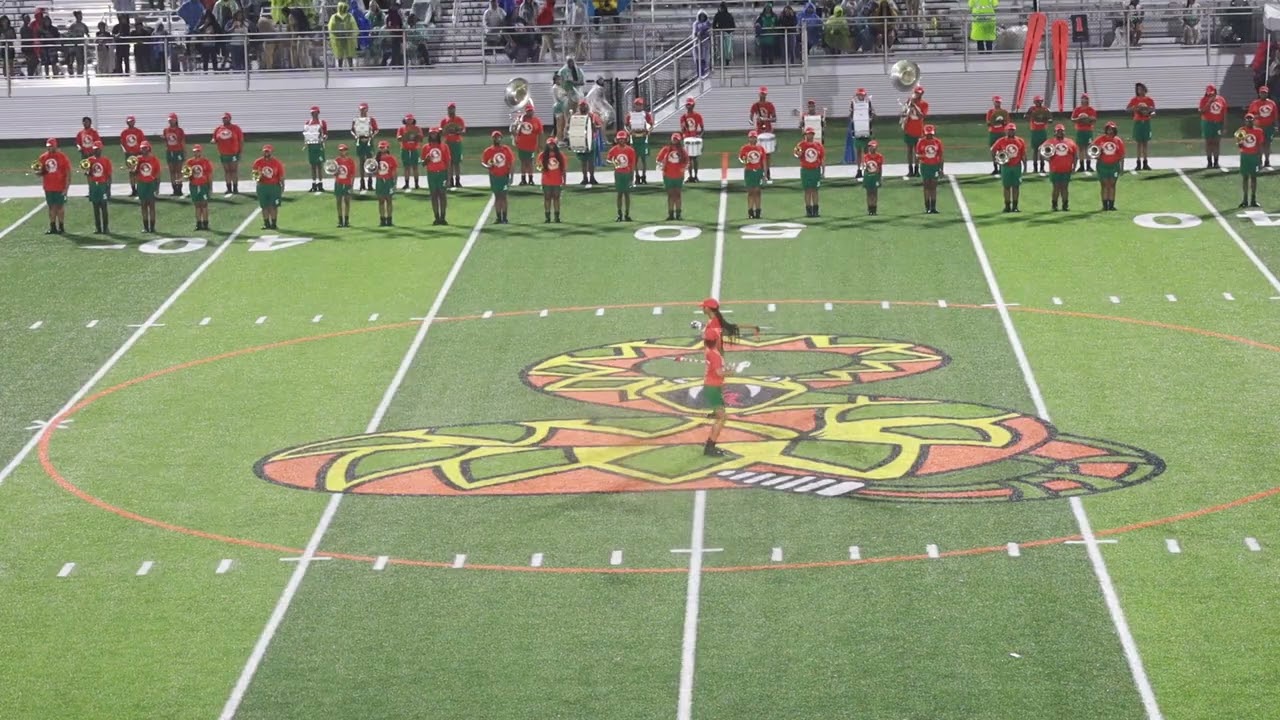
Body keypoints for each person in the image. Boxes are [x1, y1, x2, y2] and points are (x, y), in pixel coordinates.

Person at [36, 138, 71, 235]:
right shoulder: (43, 157)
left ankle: (61, 227)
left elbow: (68, 173)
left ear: (55, 146)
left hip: (60, 186)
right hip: (48, 187)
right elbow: (39, 173)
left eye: (51, 146)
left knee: (60, 207)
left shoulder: (62, 157)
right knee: (51, 207)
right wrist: (39, 171)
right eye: (48, 146)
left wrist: (66, 187)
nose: (49, 148)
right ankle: (52, 227)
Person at [482, 130, 517, 224]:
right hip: (494, 177)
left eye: (498, 137)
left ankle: (505, 217)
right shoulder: (488, 151)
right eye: (495, 137)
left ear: (501, 138)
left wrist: (511, 176)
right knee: (497, 196)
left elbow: (512, 163)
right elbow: (484, 162)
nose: (497, 139)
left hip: (504, 176)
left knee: (504, 197)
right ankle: (498, 217)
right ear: (492, 138)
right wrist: (488, 166)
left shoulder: (506, 149)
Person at [991, 123, 1026, 213]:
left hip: (1016, 166)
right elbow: (993, 149)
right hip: (1006, 166)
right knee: (1006, 187)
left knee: (1016, 187)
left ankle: (1015, 206)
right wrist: (997, 160)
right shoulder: (1001, 140)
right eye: (1010, 130)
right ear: (1006, 131)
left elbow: (1023, 154)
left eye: (1013, 130)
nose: (1011, 131)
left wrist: (1025, 166)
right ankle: (1007, 206)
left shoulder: (1020, 141)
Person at [1092, 122, 1125, 211]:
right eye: (1109, 129)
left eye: (1112, 129)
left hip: (1114, 166)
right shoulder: (1100, 139)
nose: (1110, 131)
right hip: (1102, 165)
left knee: (1112, 185)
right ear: (1106, 130)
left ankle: (1111, 205)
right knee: (1104, 185)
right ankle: (1104, 205)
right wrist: (1099, 153)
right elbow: (1093, 151)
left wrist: (1122, 168)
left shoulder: (1118, 140)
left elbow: (1122, 155)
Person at [421, 129, 452, 225]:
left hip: (442, 173)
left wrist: (448, 176)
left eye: (435, 133)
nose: (433, 135)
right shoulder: (426, 147)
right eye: (432, 134)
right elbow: (423, 163)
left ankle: (443, 217)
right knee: (434, 195)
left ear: (438, 135)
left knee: (442, 195)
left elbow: (448, 162)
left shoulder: (444, 146)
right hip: (431, 173)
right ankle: (436, 217)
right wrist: (426, 160)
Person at [1045, 124, 1078, 211]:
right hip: (1055, 169)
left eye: (1061, 131)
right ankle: (1054, 205)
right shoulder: (1050, 142)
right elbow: (1042, 151)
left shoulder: (1070, 142)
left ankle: (1065, 205)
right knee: (1056, 187)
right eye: (1058, 131)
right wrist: (1047, 159)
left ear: (1064, 132)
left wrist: (1074, 166)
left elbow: (1075, 155)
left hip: (1066, 169)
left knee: (1064, 187)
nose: (1060, 133)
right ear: (1055, 133)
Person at [251, 145, 285, 230]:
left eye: (268, 151)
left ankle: (274, 223)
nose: (266, 153)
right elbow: (255, 177)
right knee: (264, 206)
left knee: (273, 206)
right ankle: (266, 223)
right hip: (262, 186)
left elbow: (281, 176)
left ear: (271, 152)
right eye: (265, 151)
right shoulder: (257, 162)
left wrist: (282, 187)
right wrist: (259, 176)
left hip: (274, 186)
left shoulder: (277, 163)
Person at [606, 130, 636, 221]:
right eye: (620, 139)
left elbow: (632, 164)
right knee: (619, 194)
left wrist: (632, 175)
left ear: (626, 139)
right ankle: (619, 214)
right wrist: (613, 162)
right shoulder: (614, 149)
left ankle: (627, 214)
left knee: (627, 194)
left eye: (623, 139)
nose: (621, 141)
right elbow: (608, 159)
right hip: (618, 174)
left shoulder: (630, 150)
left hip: (627, 173)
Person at [794, 126, 824, 217]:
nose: (809, 136)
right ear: (805, 135)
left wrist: (823, 171)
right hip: (806, 170)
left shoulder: (818, 145)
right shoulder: (801, 145)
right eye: (808, 134)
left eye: (811, 134)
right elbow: (796, 154)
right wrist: (798, 154)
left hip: (815, 169)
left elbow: (822, 158)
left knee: (815, 190)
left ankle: (815, 209)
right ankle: (808, 209)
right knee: (807, 190)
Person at [657, 133, 688, 220]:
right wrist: (661, 165)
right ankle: (670, 214)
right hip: (668, 176)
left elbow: (687, 161)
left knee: (678, 195)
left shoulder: (682, 151)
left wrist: (683, 167)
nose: (675, 141)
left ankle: (678, 214)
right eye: (674, 139)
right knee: (670, 195)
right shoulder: (666, 149)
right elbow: (658, 159)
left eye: (677, 139)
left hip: (679, 176)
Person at [749, 86, 777, 182]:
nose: (763, 95)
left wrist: (765, 119)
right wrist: (751, 121)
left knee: (768, 154)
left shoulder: (770, 105)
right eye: (761, 93)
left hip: (768, 130)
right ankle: (760, 173)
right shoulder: (755, 105)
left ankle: (767, 173)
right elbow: (750, 116)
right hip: (759, 132)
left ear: (766, 94)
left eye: (764, 94)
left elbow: (774, 118)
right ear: (759, 94)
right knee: (759, 153)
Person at [133, 142, 162, 233]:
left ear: (149, 148)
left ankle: (152, 227)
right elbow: (134, 171)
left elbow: (158, 174)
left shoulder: (154, 159)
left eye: (145, 148)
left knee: (151, 206)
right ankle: (145, 227)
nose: (143, 150)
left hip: (151, 184)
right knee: (143, 206)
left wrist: (157, 188)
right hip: (141, 184)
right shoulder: (138, 159)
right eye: (142, 148)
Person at [213, 112, 244, 195]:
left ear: (229, 119)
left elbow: (240, 140)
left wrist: (240, 151)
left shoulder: (235, 128)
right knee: (227, 171)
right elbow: (215, 138)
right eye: (223, 118)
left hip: (233, 153)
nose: (224, 119)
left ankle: (235, 188)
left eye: (226, 118)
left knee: (233, 171)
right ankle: (228, 188)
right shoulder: (219, 129)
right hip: (223, 153)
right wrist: (213, 141)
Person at [1237, 113, 1264, 208]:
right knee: (1245, 178)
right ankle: (1245, 199)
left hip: (1254, 156)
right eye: (1248, 120)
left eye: (1251, 120)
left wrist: (1260, 159)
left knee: (1254, 177)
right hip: (1245, 156)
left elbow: (1260, 145)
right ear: (1245, 121)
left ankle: (1253, 199)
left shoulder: (1259, 131)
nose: (1249, 121)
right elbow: (1240, 145)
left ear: (1253, 120)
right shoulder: (1241, 130)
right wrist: (1240, 141)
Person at [1125, 84, 1155, 172]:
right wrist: (1134, 108)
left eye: (1141, 89)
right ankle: (1138, 163)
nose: (1140, 91)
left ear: (1144, 90)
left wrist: (1148, 112)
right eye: (1138, 89)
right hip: (1138, 122)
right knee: (1138, 144)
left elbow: (1153, 111)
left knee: (1145, 143)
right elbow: (1127, 109)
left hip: (1146, 122)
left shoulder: (1149, 100)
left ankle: (1145, 163)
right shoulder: (1134, 100)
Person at [85, 142, 113, 234]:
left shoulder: (106, 160)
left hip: (102, 185)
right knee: (95, 208)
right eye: (95, 149)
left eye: (97, 149)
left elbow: (109, 176)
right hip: (94, 185)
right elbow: (88, 174)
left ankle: (105, 227)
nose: (96, 151)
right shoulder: (89, 160)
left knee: (104, 207)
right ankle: (98, 227)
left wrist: (108, 188)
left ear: (101, 149)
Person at [513, 104, 544, 186]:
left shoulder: (536, 121)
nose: (530, 112)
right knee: (523, 162)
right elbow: (515, 130)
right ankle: (523, 179)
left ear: (533, 111)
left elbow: (540, 133)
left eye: (531, 111)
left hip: (532, 146)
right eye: (528, 111)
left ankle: (530, 179)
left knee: (530, 162)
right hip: (522, 145)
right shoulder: (521, 119)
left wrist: (540, 145)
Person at [185, 144, 214, 231]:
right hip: (194, 185)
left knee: (204, 205)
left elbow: (209, 175)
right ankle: (198, 224)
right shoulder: (189, 162)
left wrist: (210, 187)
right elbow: (186, 175)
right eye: (195, 151)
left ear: (200, 152)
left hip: (203, 185)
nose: (196, 153)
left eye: (198, 151)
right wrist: (185, 177)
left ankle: (205, 223)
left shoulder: (205, 162)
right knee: (197, 205)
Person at [624, 98, 654, 184]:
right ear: (634, 105)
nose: (639, 106)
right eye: (637, 104)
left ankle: (644, 176)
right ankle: (637, 176)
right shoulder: (630, 115)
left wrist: (648, 131)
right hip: (634, 139)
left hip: (643, 138)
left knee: (644, 159)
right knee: (634, 159)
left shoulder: (645, 114)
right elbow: (626, 126)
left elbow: (651, 124)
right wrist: (629, 132)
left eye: (640, 104)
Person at [915, 124, 943, 214]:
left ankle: (933, 207)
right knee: (926, 186)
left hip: (934, 166)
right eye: (928, 134)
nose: (929, 136)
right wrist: (924, 156)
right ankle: (927, 207)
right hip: (925, 166)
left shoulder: (937, 142)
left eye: (931, 134)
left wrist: (941, 169)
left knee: (933, 187)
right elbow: (917, 155)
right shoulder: (921, 142)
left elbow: (941, 156)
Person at [1247, 86, 1277, 168]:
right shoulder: (1255, 103)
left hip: (1269, 126)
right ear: (1259, 93)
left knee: (1267, 144)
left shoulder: (1271, 103)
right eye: (1262, 93)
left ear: (1267, 93)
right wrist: (1255, 117)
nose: (1263, 94)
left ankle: (1267, 160)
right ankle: (1259, 161)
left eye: (1265, 93)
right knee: (1259, 144)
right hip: (1258, 127)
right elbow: (1250, 115)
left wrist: (1275, 125)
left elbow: (1275, 115)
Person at [352, 103, 380, 192]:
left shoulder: (371, 120)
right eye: (361, 109)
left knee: (370, 161)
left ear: (367, 110)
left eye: (364, 109)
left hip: (368, 141)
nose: (362, 111)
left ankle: (370, 182)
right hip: (360, 142)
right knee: (361, 161)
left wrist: (371, 136)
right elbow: (352, 130)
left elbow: (376, 130)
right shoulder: (356, 120)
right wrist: (355, 136)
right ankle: (362, 182)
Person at [738, 131, 766, 219]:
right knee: (750, 192)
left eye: (754, 137)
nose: (753, 139)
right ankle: (750, 211)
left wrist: (764, 173)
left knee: (758, 191)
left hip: (758, 171)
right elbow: (741, 158)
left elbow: (763, 161)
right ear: (749, 138)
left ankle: (758, 211)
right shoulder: (744, 148)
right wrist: (745, 160)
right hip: (749, 171)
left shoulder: (760, 148)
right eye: (751, 137)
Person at [902, 85, 928, 178]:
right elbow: (904, 113)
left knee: (917, 151)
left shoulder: (924, 104)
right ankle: (910, 169)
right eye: (916, 93)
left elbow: (921, 116)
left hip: (918, 130)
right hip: (909, 129)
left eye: (919, 93)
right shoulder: (909, 102)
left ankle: (917, 169)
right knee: (909, 150)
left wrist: (914, 105)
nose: (917, 95)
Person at [571, 100, 600, 185]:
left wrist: (594, 126)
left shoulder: (592, 116)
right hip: (580, 140)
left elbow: (598, 126)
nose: (583, 107)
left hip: (591, 140)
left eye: (584, 106)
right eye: (581, 106)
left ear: (587, 106)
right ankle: (584, 178)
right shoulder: (575, 116)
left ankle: (592, 177)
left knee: (591, 161)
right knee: (583, 161)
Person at [538, 137, 565, 223]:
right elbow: (539, 167)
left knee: (556, 198)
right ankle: (547, 217)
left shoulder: (560, 155)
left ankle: (557, 217)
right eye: (550, 144)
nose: (551, 146)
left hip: (557, 181)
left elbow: (563, 169)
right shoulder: (542, 155)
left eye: (553, 144)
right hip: (547, 181)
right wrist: (541, 168)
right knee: (547, 198)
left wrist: (564, 180)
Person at [1199, 84, 1227, 170]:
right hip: (1207, 123)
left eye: (1212, 93)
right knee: (1208, 142)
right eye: (1209, 93)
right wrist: (1209, 102)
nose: (1211, 95)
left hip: (1218, 123)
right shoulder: (1204, 100)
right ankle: (1209, 162)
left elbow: (1224, 114)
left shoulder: (1221, 100)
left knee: (1216, 143)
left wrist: (1224, 126)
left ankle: (1216, 162)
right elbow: (1202, 111)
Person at [330, 144, 356, 228]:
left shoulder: (350, 161)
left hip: (347, 183)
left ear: (347, 150)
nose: (342, 152)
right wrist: (335, 173)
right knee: (338, 202)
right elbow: (333, 171)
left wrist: (351, 185)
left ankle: (347, 220)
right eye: (341, 150)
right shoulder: (336, 160)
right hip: (339, 183)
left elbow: (352, 174)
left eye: (344, 150)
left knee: (347, 202)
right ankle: (340, 220)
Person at [441, 103, 467, 189]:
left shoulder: (459, 120)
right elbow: (441, 131)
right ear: (447, 109)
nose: (451, 110)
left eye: (452, 108)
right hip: (447, 143)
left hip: (456, 142)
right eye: (449, 108)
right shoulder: (444, 120)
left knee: (457, 162)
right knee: (449, 163)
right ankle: (450, 180)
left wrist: (458, 132)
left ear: (455, 109)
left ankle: (458, 180)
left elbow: (463, 130)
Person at [120, 116, 146, 197]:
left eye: (132, 121)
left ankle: (139, 188)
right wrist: (125, 150)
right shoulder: (124, 132)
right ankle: (133, 189)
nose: (130, 123)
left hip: (137, 153)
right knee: (131, 172)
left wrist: (142, 152)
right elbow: (122, 143)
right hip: (129, 154)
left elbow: (143, 142)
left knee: (138, 171)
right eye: (129, 121)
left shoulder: (139, 132)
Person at [303, 105, 328, 193]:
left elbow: (325, 134)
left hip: (319, 145)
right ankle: (314, 184)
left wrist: (323, 137)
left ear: (318, 113)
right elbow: (306, 134)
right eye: (313, 113)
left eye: (315, 112)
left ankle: (320, 184)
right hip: (311, 146)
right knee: (313, 165)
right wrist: (305, 142)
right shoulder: (308, 123)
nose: (314, 114)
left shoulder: (322, 123)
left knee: (319, 165)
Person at [374, 140, 399, 226]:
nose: (382, 149)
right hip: (380, 181)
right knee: (381, 201)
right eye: (380, 147)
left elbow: (395, 171)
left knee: (389, 201)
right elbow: (373, 171)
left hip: (388, 181)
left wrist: (395, 183)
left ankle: (389, 219)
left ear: (387, 148)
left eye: (383, 147)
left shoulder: (391, 158)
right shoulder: (376, 158)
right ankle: (382, 219)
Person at [680, 98, 706, 181]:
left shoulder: (697, 116)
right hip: (687, 138)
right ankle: (690, 176)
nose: (689, 106)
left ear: (693, 105)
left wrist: (699, 136)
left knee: (695, 158)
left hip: (694, 138)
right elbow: (682, 129)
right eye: (687, 105)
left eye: (690, 105)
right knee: (688, 158)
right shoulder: (683, 117)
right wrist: (684, 130)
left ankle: (696, 176)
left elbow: (702, 128)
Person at [1071, 93, 1097, 172]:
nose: (1084, 100)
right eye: (1083, 99)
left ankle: (1088, 165)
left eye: (1086, 99)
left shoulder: (1091, 109)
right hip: (1080, 130)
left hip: (1088, 131)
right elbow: (1072, 119)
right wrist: (1079, 119)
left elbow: (1094, 119)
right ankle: (1082, 165)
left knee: (1088, 148)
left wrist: (1087, 118)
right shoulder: (1077, 109)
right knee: (1081, 148)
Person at [162, 113, 187, 197]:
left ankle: (179, 188)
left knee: (178, 171)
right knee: (172, 171)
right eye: (169, 120)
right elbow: (166, 141)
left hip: (178, 151)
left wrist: (184, 152)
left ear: (175, 120)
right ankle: (174, 189)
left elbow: (182, 141)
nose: (171, 121)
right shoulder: (166, 130)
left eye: (172, 120)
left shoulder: (179, 130)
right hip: (170, 152)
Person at [396, 114, 423, 190]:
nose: (409, 121)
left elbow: (421, 138)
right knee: (406, 167)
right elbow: (398, 138)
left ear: (413, 120)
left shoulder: (417, 128)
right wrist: (402, 137)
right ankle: (406, 183)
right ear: (405, 120)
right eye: (407, 119)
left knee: (415, 167)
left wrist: (417, 137)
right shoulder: (401, 129)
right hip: (405, 149)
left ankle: (416, 184)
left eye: (410, 119)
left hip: (414, 149)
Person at [328, 1, 358, 68]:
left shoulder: (348, 16)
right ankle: (344, 67)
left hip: (344, 38)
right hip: (340, 38)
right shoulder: (335, 17)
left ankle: (348, 67)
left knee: (346, 53)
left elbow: (354, 27)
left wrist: (351, 33)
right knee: (341, 54)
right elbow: (331, 28)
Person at [985, 96, 1009, 175]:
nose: (998, 103)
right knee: (993, 150)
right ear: (994, 102)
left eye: (999, 102)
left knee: (1002, 150)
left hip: (1001, 132)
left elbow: (1007, 123)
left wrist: (1002, 122)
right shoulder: (990, 112)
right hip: (993, 133)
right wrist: (995, 121)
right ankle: (995, 168)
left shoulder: (1004, 112)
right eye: (996, 102)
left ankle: (1002, 167)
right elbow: (988, 123)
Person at [860, 139, 885, 215]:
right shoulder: (866, 156)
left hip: (875, 177)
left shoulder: (879, 156)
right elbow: (864, 167)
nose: (871, 148)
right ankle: (869, 209)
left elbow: (880, 168)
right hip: (868, 177)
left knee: (875, 193)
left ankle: (874, 209)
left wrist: (880, 178)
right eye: (870, 147)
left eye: (872, 147)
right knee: (868, 193)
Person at [64, 10, 89, 76]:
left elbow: (87, 34)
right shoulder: (73, 25)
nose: (80, 17)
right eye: (79, 16)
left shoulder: (84, 25)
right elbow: (69, 34)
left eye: (81, 16)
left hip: (80, 45)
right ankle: (71, 72)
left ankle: (80, 73)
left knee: (80, 60)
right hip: (73, 45)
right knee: (71, 60)